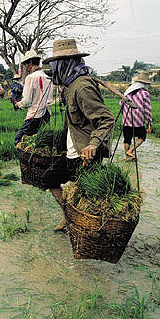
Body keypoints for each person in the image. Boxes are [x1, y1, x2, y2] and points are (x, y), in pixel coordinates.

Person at [41, 39, 115, 229]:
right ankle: (69, 216)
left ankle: (89, 229)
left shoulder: (82, 87)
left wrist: (93, 144)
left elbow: (106, 118)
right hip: (71, 151)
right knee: (49, 178)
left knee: (87, 199)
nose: (53, 70)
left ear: (65, 64)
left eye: (55, 65)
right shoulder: (69, 86)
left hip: (85, 153)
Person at [14, 50, 53, 145]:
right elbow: (50, 99)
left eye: (26, 64)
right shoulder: (47, 77)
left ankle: (24, 159)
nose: (25, 67)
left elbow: (26, 101)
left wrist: (18, 104)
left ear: (30, 63)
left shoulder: (30, 78)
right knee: (40, 142)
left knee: (19, 140)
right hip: (46, 114)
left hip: (34, 115)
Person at [121, 71, 152, 161]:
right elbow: (147, 109)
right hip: (137, 120)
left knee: (127, 139)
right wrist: (149, 123)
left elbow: (121, 103)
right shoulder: (144, 93)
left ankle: (127, 157)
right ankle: (130, 151)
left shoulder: (128, 92)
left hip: (126, 119)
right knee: (142, 136)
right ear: (144, 84)